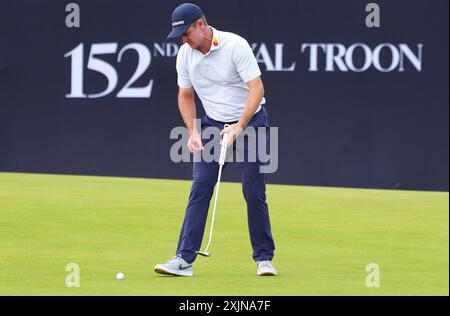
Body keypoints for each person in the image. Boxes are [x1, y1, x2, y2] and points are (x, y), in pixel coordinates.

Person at [154, 3, 276, 277]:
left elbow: (257, 89)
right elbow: (185, 96)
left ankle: (264, 259)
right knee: (200, 188)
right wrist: (193, 131)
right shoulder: (185, 55)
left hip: (251, 122)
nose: (183, 41)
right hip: (212, 123)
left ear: (200, 25)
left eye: (185, 34)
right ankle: (183, 260)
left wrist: (239, 126)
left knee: (253, 191)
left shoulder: (235, 45)